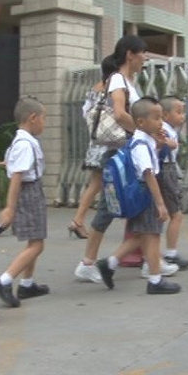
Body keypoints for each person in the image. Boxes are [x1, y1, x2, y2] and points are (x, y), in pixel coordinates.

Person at [73, 36, 180, 283]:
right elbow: (120, 114)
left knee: (137, 208)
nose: (146, 57)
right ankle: (89, 263)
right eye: (143, 52)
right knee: (111, 208)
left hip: (125, 152)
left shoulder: (128, 81)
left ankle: (149, 262)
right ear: (130, 54)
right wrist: (146, 133)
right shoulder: (118, 80)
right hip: (120, 154)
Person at [95, 97, 180, 294]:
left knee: (141, 235)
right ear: (141, 122)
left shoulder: (145, 139)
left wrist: (159, 145)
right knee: (152, 236)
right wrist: (160, 203)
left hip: (141, 193)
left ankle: (110, 263)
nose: (161, 122)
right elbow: (148, 174)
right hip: (146, 193)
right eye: (156, 118)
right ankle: (155, 280)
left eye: (161, 118)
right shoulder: (141, 144)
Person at [0, 97, 51, 308]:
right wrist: (10, 208)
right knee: (37, 245)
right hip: (29, 193)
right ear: (33, 118)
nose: (44, 123)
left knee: (34, 240)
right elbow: (17, 177)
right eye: (43, 118)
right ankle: (4, 280)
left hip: (32, 191)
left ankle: (27, 284)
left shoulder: (21, 141)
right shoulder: (24, 145)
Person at [68, 56, 122, 239]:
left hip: (97, 141)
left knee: (96, 184)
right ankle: (78, 220)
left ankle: (79, 220)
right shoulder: (115, 89)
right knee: (99, 184)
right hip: (111, 141)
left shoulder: (94, 89)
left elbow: (86, 113)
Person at [157, 95, 188, 269]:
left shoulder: (167, 128)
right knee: (176, 214)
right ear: (165, 115)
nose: (182, 116)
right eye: (178, 112)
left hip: (167, 169)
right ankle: (170, 254)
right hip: (166, 170)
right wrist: (167, 143)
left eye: (183, 112)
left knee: (168, 215)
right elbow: (158, 141)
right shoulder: (163, 129)